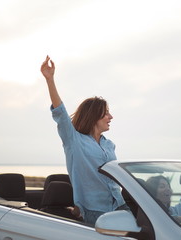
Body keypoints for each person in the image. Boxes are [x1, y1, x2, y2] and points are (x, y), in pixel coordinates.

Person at [40, 56, 127, 225]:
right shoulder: (74, 141)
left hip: (119, 206)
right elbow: (61, 113)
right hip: (94, 211)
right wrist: (50, 80)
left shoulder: (109, 145)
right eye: (106, 112)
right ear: (94, 116)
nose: (111, 117)